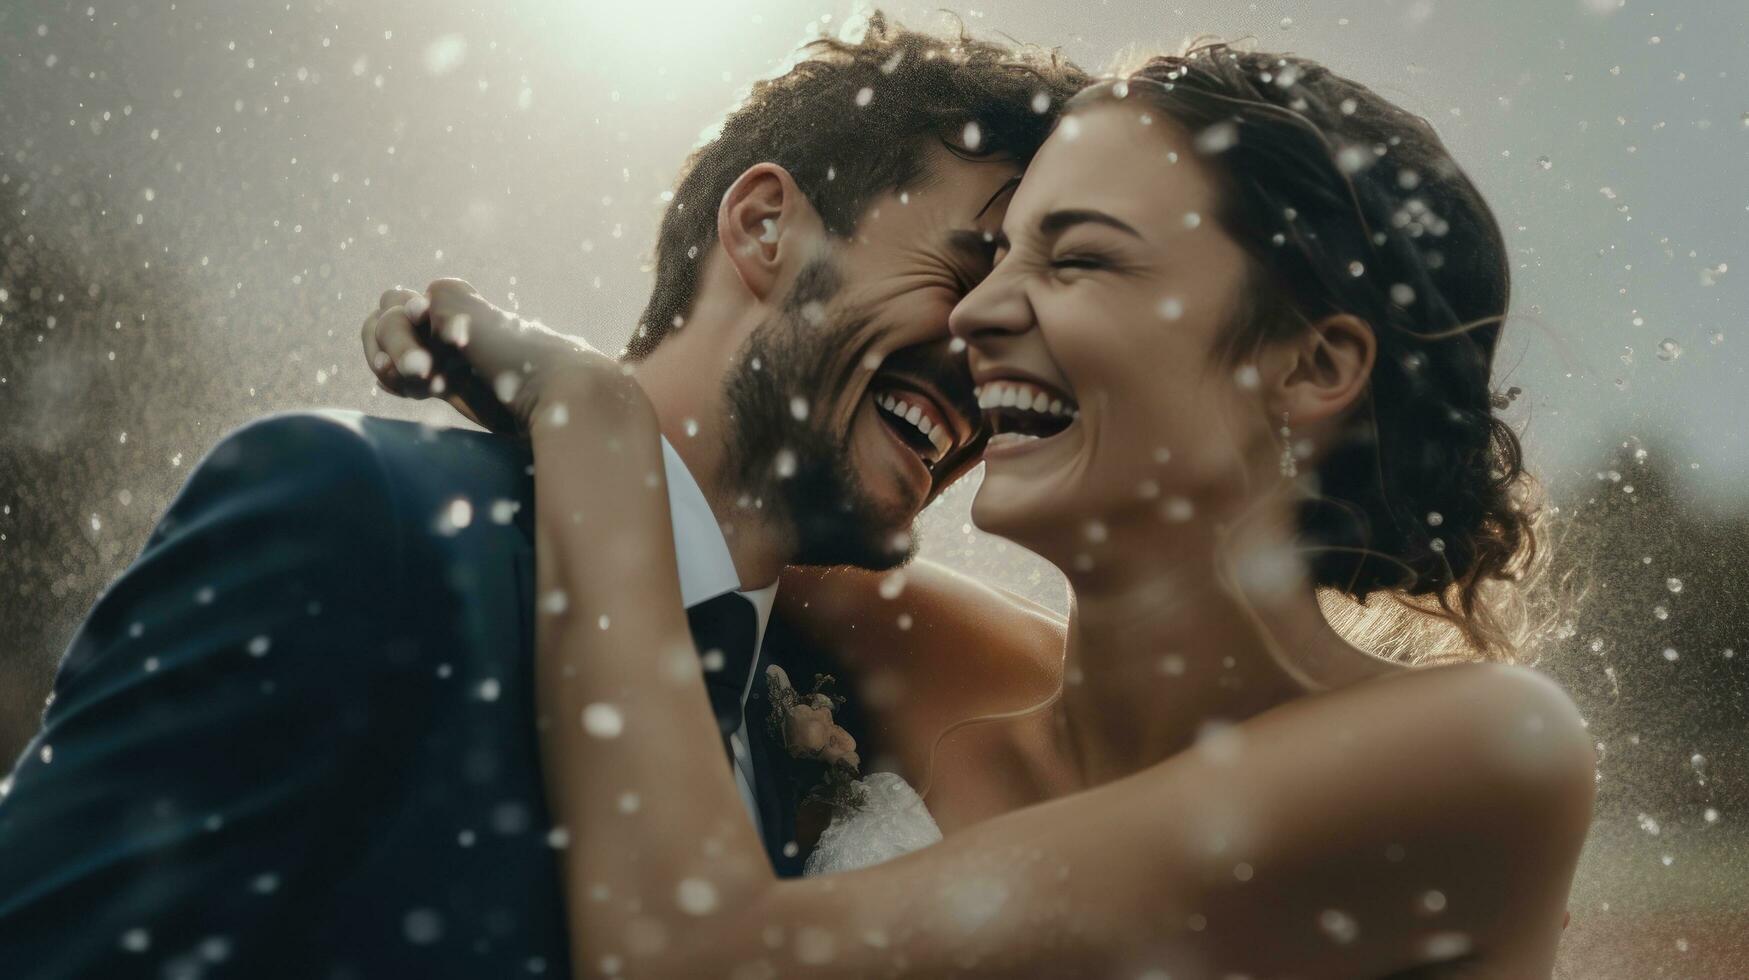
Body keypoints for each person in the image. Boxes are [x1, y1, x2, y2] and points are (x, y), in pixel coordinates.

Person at [377, 43, 1596, 977]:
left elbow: (695, 957)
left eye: (1077, 260)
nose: (973, 315)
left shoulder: (1485, 752)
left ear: (1312, 369)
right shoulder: (897, 642)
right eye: (991, 256)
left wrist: (589, 414)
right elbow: (704, 502)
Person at [0, 17, 1086, 978]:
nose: (992, 363)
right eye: (968, 273)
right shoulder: (361, 514)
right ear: (762, 226)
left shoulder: (797, 730)